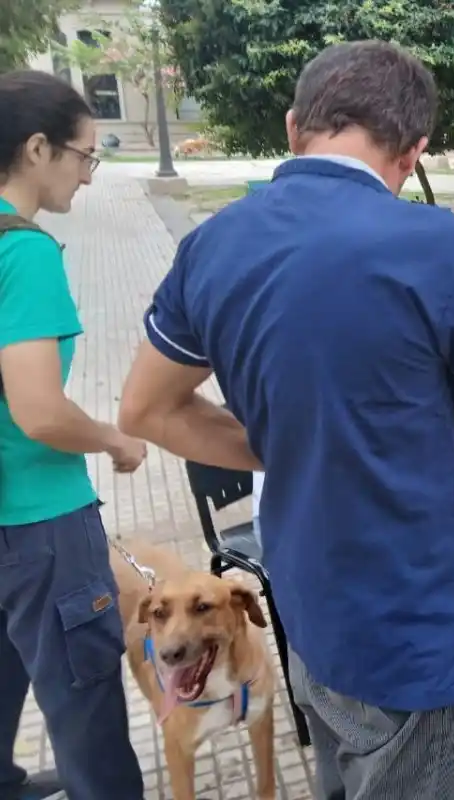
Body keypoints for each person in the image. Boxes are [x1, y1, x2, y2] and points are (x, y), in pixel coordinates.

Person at [117, 41, 454, 800]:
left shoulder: (212, 242)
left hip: (308, 601)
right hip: (411, 622)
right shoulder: (436, 245)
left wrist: (283, 445)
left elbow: (146, 409)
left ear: (292, 127)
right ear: (412, 154)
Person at [0, 71, 146, 800]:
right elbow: (41, 411)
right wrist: (116, 441)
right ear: (36, 148)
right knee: (87, 715)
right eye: (85, 157)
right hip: (40, 528)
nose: (89, 176)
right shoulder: (22, 252)